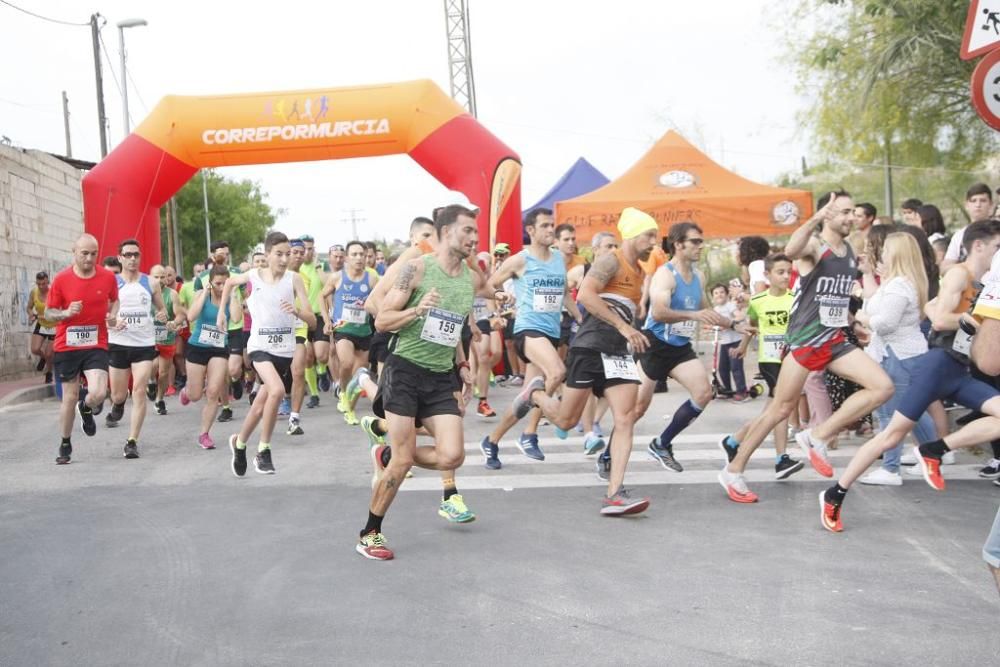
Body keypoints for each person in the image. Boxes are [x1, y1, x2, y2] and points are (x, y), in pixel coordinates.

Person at [818, 220, 1000, 531]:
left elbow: (930, 306)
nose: (999, 253)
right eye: (997, 246)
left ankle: (934, 450)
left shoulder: (986, 282)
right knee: (891, 435)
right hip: (935, 366)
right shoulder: (960, 273)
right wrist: (975, 320)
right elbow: (940, 318)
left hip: (958, 369)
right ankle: (835, 494)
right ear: (980, 246)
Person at [718, 191, 894, 503]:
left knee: (882, 387)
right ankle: (733, 470)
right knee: (779, 410)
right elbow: (792, 248)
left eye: (853, 212)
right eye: (843, 212)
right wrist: (814, 218)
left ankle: (818, 435)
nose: (851, 217)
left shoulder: (850, 251)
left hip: (836, 339)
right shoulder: (816, 247)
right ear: (828, 214)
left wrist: (853, 322)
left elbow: (836, 298)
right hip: (805, 340)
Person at [517, 207, 659, 515]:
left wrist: (629, 331)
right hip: (590, 348)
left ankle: (615, 493)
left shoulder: (639, 271)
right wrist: (624, 326)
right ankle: (536, 393)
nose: (653, 242)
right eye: (649, 235)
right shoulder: (611, 260)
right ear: (633, 234)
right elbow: (585, 296)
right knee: (567, 420)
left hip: (618, 353)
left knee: (625, 418)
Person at [357, 204, 480, 560]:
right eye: (467, 230)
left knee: (452, 455)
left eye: (475, 231)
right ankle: (370, 533)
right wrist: (416, 309)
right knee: (403, 461)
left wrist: (462, 365)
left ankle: (387, 451)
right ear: (445, 233)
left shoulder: (468, 278)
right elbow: (382, 320)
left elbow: (451, 324)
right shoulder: (416, 269)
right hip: (405, 371)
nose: (473, 237)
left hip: (441, 375)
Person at [479, 207, 575, 468]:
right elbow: (487, 286)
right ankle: (529, 434)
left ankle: (492, 440)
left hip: (551, 332)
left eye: (551, 225)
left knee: (526, 396)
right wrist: (496, 306)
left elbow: (565, 294)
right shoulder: (520, 260)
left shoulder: (558, 259)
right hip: (528, 330)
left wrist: (582, 318)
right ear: (531, 230)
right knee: (557, 372)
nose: (550, 230)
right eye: (544, 225)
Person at [632, 222, 729, 473]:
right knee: (636, 410)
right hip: (654, 345)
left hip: (679, 348)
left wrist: (736, 325)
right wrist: (694, 316)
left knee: (704, 393)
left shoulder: (699, 276)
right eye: (695, 241)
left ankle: (661, 444)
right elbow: (660, 312)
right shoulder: (665, 274)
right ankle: (608, 456)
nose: (700, 246)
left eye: (701, 241)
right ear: (678, 244)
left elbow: (706, 311)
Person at [221, 232, 315, 476]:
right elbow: (229, 282)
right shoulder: (253, 276)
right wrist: (222, 311)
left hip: (284, 349)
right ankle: (263, 450)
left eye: (288, 254)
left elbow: (312, 320)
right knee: (276, 390)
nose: (284, 259)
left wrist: (297, 312)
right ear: (268, 253)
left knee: (261, 406)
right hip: (259, 347)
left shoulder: (294, 280)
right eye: (279, 254)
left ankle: (239, 443)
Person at [852, 232, 937, 485]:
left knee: (890, 414)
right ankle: (934, 456)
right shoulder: (901, 281)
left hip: (896, 355)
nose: (883, 253)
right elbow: (875, 307)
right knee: (915, 413)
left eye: (887, 249)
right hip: (905, 353)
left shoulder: (899, 285)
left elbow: (885, 323)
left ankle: (890, 469)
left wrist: (862, 318)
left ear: (897, 254)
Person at [46, 234, 119, 464]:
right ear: (74, 252)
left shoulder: (107, 277)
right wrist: (66, 313)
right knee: (69, 396)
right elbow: (49, 313)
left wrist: (113, 315)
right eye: (84, 253)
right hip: (67, 345)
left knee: (98, 393)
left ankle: (86, 408)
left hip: (96, 342)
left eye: (93, 253)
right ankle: (65, 443)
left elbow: (115, 300)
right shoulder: (61, 279)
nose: (89, 258)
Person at [734, 253, 803, 478]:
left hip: (790, 359)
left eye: (788, 272)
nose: (785, 276)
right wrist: (743, 346)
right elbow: (751, 325)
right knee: (781, 408)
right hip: (769, 360)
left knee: (774, 410)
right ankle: (781, 458)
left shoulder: (795, 298)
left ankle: (734, 440)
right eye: (780, 272)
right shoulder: (758, 301)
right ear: (767, 275)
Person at [104, 239, 168, 459]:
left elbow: (162, 310)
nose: (132, 259)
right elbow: (103, 315)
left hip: (143, 344)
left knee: (139, 390)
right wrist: (111, 322)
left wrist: (162, 314)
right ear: (120, 258)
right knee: (118, 393)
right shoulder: (111, 282)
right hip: (119, 343)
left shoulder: (150, 283)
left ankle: (132, 441)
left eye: (136, 255)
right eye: (128, 255)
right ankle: (119, 404)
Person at [179, 264, 236, 449]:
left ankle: (204, 434)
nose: (221, 287)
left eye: (224, 283)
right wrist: (204, 294)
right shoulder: (203, 294)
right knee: (196, 395)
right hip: (198, 347)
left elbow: (236, 318)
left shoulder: (229, 297)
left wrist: (232, 294)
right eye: (218, 283)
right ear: (211, 282)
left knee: (213, 392)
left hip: (219, 348)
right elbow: (191, 317)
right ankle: (187, 392)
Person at [323, 240, 377, 425]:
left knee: (360, 374)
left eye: (362, 254)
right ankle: (343, 392)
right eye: (354, 254)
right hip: (343, 329)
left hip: (364, 331)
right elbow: (321, 297)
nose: (359, 258)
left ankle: (350, 409)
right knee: (346, 362)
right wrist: (326, 320)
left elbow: (380, 300)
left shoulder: (371, 279)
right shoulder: (337, 277)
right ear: (346, 258)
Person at [194, 241, 245, 423]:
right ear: (213, 255)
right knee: (221, 372)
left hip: (234, 326)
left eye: (226, 253)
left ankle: (237, 379)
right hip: (215, 329)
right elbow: (197, 301)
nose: (223, 256)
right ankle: (225, 406)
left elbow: (246, 294)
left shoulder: (238, 273)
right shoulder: (203, 277)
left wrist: (241, 303)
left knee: (233, 369)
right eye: (220, 253)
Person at [298, 234, 331, 405]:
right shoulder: (296, 267)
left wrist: (318, 266)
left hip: (319, 315)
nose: (307, 252)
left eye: (310, 248)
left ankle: (323, 370)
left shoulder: (322, 266)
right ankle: (314, 394)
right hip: (302, 317)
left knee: (322, 355)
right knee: (308, 357)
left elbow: (328, 285)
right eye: (304, 249)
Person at [148, 265, 184, 415]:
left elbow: (180, 315)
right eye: (156, 277)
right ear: (150, 277)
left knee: (163, 372)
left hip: (166, 338)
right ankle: (150, 381)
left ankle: (159, 399)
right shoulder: (145, 294)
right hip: (148, 338)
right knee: (153, 365)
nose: (160, 280)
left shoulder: (172, 294)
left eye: (162, 277)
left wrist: (173, 323)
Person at [941, 183, 994, 272]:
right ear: (966, 205)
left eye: (983, 200)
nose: (978, 205)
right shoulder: (959, 235)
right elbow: (944, 268)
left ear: (991, 204)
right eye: (973, 201)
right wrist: (969, 266)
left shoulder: (997, 232)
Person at [711, 283, 748, 400]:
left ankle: (742, 391)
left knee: (736, 367)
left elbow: (740, 316)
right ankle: (727, 389)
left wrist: (728, 323)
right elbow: (712, 322)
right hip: (724, 342)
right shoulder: (715, 309)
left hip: (735, 341)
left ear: (727, 294)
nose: (719, 295)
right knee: (722, 368)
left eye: (722, 292)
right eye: (716, 293)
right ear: (713, 297)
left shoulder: (730, 306)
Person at [26, 270, 56, 383]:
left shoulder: (54, 292)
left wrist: (51, 315)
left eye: (43, 284)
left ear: (48, 281)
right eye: (39, 284)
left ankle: (49, 373)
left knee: (49, 353)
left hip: (54, 326)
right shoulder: (34, 292)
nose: (41, 286)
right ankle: (43, 358)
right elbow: (29, 307)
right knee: (35, 349)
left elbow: (61, 308)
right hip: (41, 324)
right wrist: (31, 315)